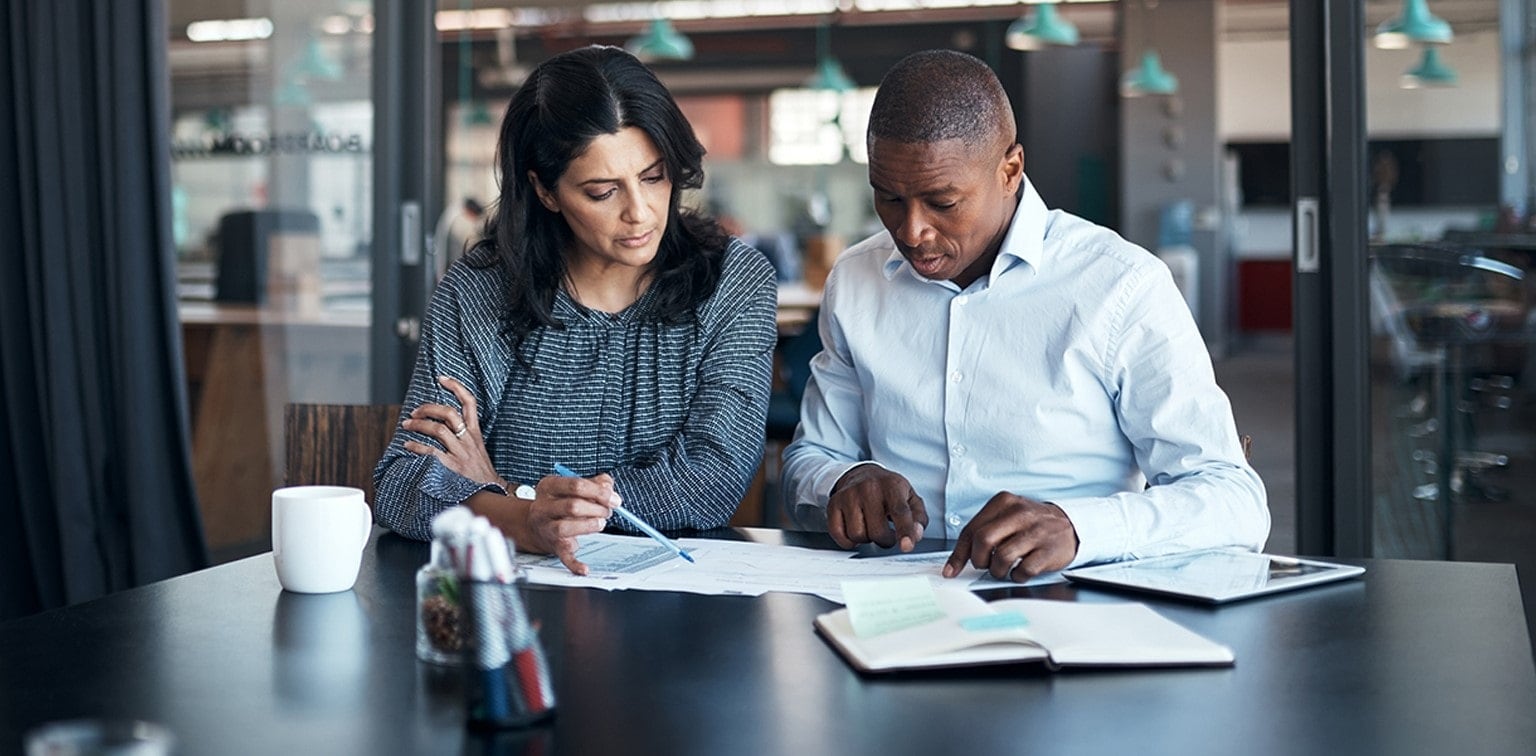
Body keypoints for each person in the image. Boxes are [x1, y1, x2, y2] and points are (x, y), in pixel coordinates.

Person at [781, 50, 1268, 583]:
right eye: (889, 198)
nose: (912, 230)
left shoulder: (1119, 285)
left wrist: (1079, 529)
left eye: (942, 202)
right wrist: (846, 478)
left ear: (1010, 169)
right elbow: (811, 454)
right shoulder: (855, 281)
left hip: (1070, 611)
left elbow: (1233, 498)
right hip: (894, 603)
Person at [374, 45, 777, 574]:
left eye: (654, 177)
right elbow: (401, 481)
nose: (640, 212)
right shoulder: (477, 291)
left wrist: (503, 496)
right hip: (515, 602)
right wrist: (525, 520)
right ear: (545, 190)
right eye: (602, 191)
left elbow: (709, 481)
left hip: (675, 604)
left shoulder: (734, 283)